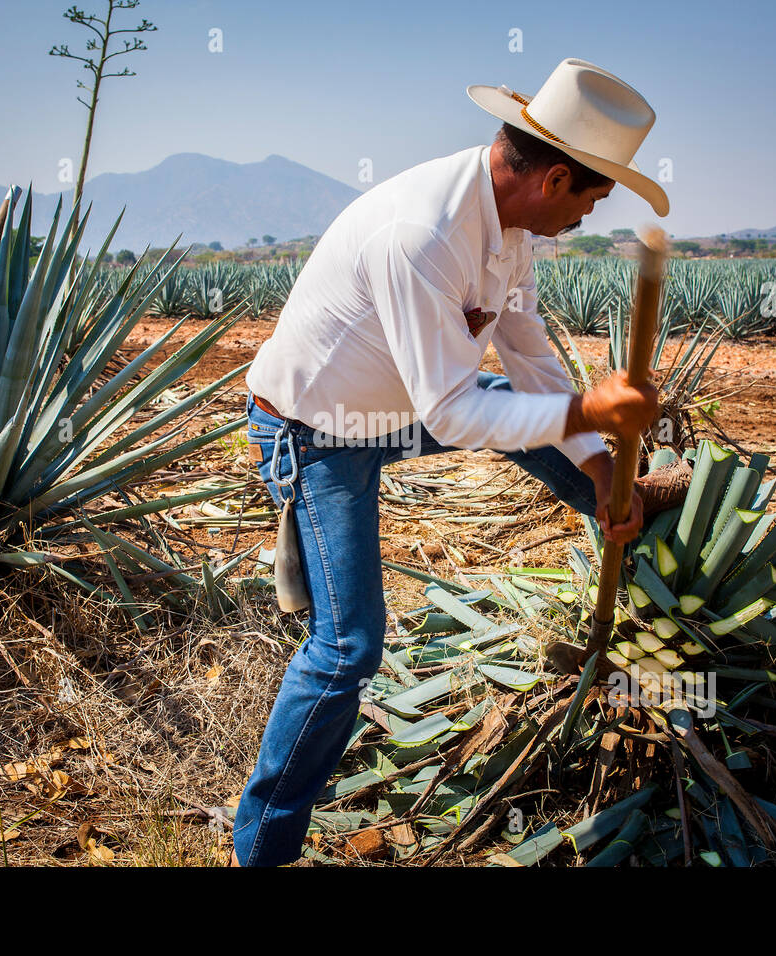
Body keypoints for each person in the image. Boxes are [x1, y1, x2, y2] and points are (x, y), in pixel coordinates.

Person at [232, 58, 669, 866]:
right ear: (556, 179)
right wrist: (587, 413)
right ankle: (263, 850)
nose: (590, 215)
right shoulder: (422, 233)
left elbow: (530, 359)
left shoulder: (510, 229)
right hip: (315, 434)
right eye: (592, 198)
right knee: (347, 648)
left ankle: (632, 532)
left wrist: (603, 463)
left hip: (388, 414)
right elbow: (456, 414)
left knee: (547, 420)